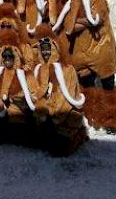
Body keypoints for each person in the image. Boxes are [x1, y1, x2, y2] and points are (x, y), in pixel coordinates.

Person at [52, 0, 116, 134]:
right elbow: (69, 28)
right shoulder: (70, 4)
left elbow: (97, 18)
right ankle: (93, 117)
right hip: (82, 52)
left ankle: (111, 121)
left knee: (108, 86)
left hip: (101, 47)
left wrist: (79, 22)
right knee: (88, 86)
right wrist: (81, 21)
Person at [28, 24, 88, 156]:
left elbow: (64, 101)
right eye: (42, 50)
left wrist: (47, 112)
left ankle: (78, 135)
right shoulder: (37, 70)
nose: (45, 53)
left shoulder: (67, 70)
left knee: (59, 149)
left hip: (61, 117)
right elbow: (33, 92)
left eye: (48, 49)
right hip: (43, 115)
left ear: (55, 50)